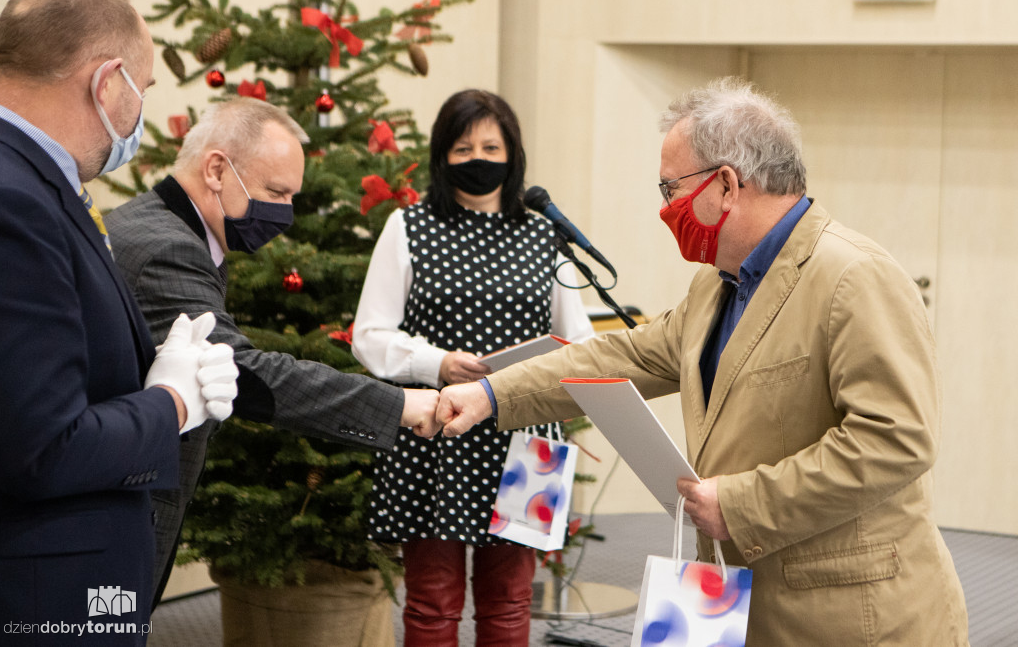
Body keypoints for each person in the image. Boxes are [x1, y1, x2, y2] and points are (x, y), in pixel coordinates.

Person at [436, 77, 970, 645]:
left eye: (671, 189)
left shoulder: (854, 276)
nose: (666, 209)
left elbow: (896, 440)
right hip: (745, 602)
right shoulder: (717, 287)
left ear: (726, 184)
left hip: (853, 617)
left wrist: (739, 505)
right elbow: (624, 354)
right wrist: (491, 393)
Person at [105, 97, 440, 606]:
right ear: (216, 169)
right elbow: (246, 374)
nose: (285, 215)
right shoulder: (165, 249)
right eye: (275, 192)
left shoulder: (172, 231)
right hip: (117, 514)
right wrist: (401, 405)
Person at [0, 0, 238, 645]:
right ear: (109, 83)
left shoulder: (31, 178)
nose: (141, 115)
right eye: (145, 90)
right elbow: (42, 448)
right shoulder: (13, 196)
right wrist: (171, 402)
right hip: (41, 596)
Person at [351, 88, 594, 646]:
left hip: (528, 433)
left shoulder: (545, 234)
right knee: (433, 604)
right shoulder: (408, 227)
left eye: (491, 145)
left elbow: (580, 341)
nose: (478, 158)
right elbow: (369, 335)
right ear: (442, 155)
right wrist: (438, 362)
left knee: (510, 604)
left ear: (513, 155)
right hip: (434, 427)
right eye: (463, 148)